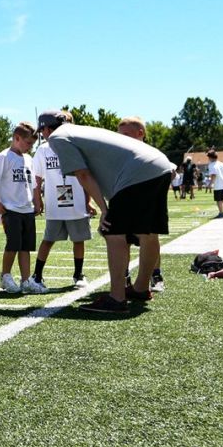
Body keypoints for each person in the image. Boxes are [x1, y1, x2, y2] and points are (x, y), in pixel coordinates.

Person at [44, 124, 174, 314]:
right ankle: (140, 288)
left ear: (46, 130)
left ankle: (116, 298)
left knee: (113, 233)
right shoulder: (77, 130)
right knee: (148, 233)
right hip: (160, 165)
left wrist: (104, 210)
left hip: (135, 172)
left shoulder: (57, 137)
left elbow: (83, 174)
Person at [32, 110, 93, 290]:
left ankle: (78, 274)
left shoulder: (76, 146)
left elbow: (85, 176)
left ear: (50, 129)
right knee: (48, 239)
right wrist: (38, 200)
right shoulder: (43, 150)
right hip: (54, 204)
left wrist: (88, 201)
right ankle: (37, 275)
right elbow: (37, 179)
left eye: (42, 130)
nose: (42, 134)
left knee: (78, 239)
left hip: (77, 203)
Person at [0, 122, 43, 294]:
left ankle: (26, 280)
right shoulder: (3, 157)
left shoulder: (28, 159)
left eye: (32, 144)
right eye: (28, 143)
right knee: (13, 245)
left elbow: (33, 184)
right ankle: (5, 276)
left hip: (27, 209)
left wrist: (37, 201)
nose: (30, 147)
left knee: (26, 247)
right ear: (17, 138)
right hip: (11, 209)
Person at [117, 116, 167, 292]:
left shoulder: (151, 153)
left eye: (126, 134)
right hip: (125, 202)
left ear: (140, 133)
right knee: (124, 241)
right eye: (119, 134)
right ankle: (124, 277)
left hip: (148, 201)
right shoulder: (120, 154)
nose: (122, 138)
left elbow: (169, 172)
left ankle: (155, 275)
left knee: (150, 239)